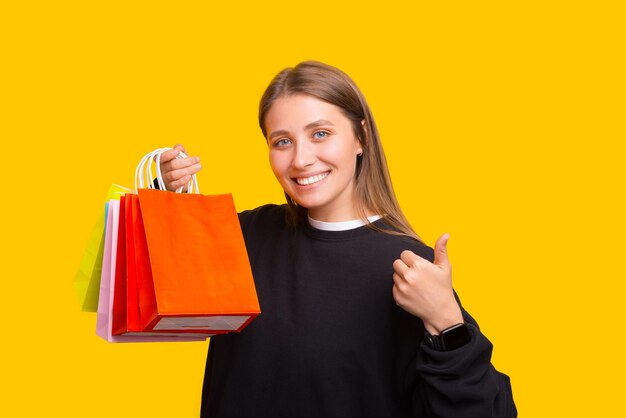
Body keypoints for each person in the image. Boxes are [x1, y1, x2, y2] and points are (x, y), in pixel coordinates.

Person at [158, 61, 517, 418]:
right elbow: (147, 285)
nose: (300, 159)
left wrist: (446, 321)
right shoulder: (248, 236)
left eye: (320, 134)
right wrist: (163, 195)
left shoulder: (410, 271)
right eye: (282, 141)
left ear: (360, 137)